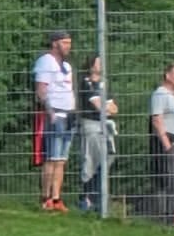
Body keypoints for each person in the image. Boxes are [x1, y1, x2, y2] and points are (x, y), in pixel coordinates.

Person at [33, 30, 77, 211]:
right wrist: (50, 111)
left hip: (69, 114)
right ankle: (46, 198)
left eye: (69, 43)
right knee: (51, 157)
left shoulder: (66, 66)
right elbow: (41, 89)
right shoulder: (46, 61)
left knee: (61, 159)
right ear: (54, 43)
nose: (68, 46)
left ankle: (57, 198)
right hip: (55, 114)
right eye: (64, 42)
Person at [149, 62, 174, 229]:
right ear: (167, 75)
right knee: (168, 179)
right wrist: (166, 144)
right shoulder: (160, 94)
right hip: (168, 140)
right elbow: (157, 119)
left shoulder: (172, 95)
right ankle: (167, 217)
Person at [76, 55, 117, 212]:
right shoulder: (86, 83)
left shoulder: (103, 84)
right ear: (91, 65)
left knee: (108, 157)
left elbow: (114, 109)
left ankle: (95, 195)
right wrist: (105, 107)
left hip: (105, 126)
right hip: (91, 125)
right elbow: (98, 106)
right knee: (91, 161)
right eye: (98, 62)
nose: (101, 65)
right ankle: (87, 197)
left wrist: (105, 108)